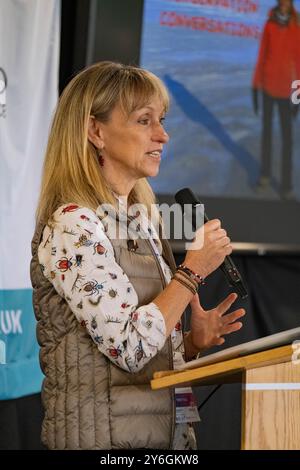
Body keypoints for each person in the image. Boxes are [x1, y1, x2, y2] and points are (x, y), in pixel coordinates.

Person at [31, 61, 245, 450]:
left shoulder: (141, 222)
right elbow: (129, 348)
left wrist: (190, 344)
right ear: (95, 131)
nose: (163, 135)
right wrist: (191, 271)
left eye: (161, 120)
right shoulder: (73, 224)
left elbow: (146, 348)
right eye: (144, 121)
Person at [252, 0, 300, 199]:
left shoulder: (296, 28)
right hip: (268, 89)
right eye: (282, 1)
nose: (284, 4)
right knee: (267, 135)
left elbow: (299, 62)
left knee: (288, 138)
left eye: (287, 2)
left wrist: (297, 95)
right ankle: (264, 175)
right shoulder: (269, 25)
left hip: (286, 91)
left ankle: (286, 185)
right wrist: (255, 87)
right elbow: (262, 56)